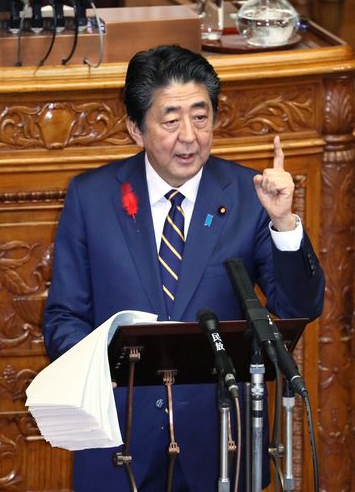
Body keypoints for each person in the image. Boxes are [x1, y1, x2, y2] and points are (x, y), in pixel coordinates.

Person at [43, 44, 325, 492]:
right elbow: (63, 320)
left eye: (201, 116)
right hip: (118, 441)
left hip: (219, 444)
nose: (189, 136)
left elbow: (299, 306)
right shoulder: (91, 198)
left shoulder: (247, 196)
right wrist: (103, 373)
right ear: (136, 129)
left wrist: (284, 223)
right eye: (171, 120)